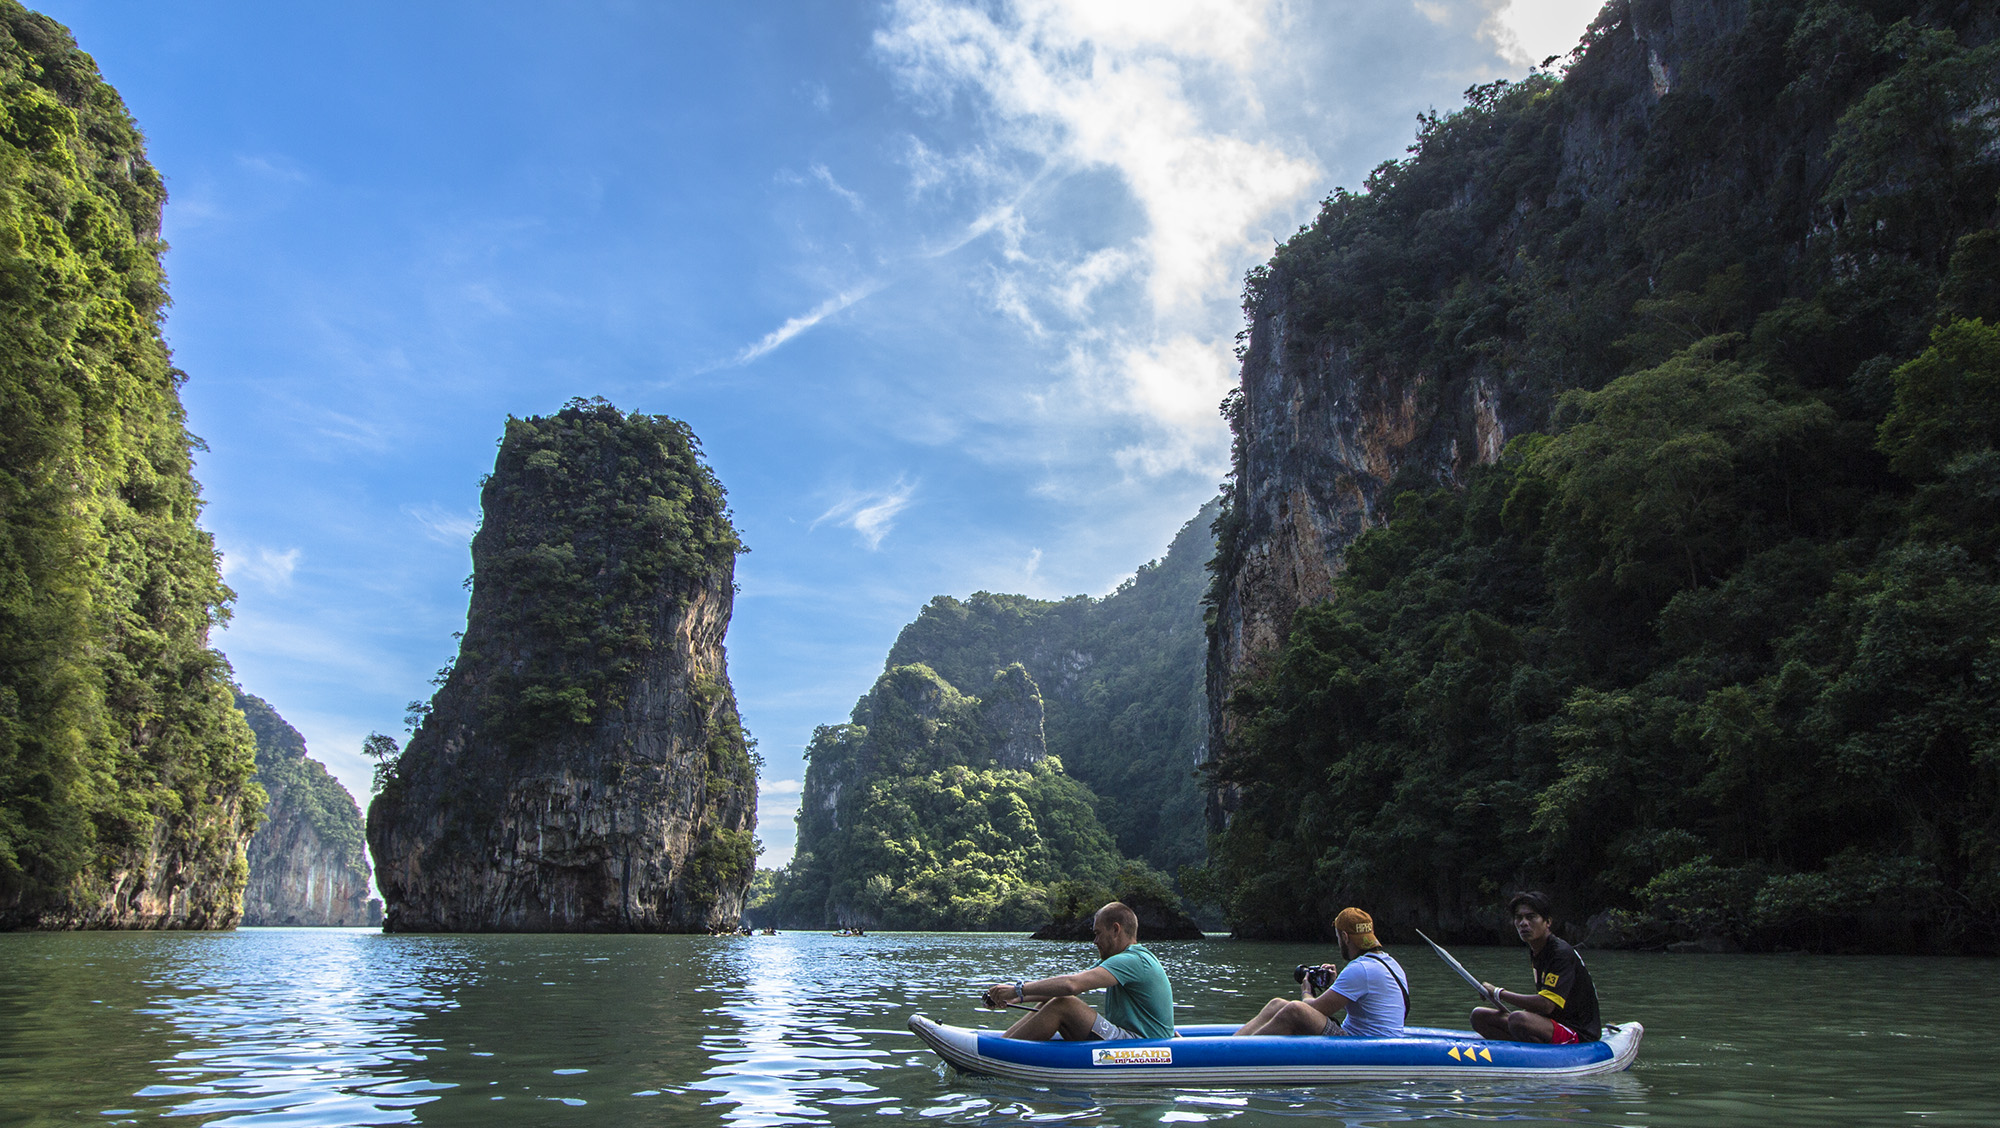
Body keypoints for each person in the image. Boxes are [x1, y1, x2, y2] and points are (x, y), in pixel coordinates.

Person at [980, 901, 1176, 1041]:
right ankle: (1004, 1043)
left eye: (1098, 933)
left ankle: (999, 1054)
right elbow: (1066, 986)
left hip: (1144, 1045)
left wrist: (1018, 989)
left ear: (1116, 930)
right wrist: (1015, 999)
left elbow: (1071, 985)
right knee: (1052, 998)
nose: (1095, 941)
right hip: (1132, 1039)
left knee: (1064, 1004)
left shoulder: (1133, 960)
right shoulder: (1122, 960)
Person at [1234, 907, 1408, 1037]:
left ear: (1345, 937)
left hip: (1364, 1045)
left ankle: (1235, 1054)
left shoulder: (1360, 969)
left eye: (1339, 937)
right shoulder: (1389, 963)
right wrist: (1336, 984)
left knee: (1295, 1009)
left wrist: (1307, 992)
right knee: (1277, 1004)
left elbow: (1314, 1009)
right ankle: (1232, 1044)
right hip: (1370, 1039)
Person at [1472, 891, 1602, 1043]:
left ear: (1547, 922)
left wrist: (1498, 993)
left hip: (1578, 1031)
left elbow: (1546, 1005)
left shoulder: (1561, 953)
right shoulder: (1537, 950)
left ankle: (1539, 1054)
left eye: (1531, 917)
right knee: (1479, 1016)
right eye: (1519, 918)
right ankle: (1517, 1052)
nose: (1523, 923)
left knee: (1518, 1019)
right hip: (1551, 1023)